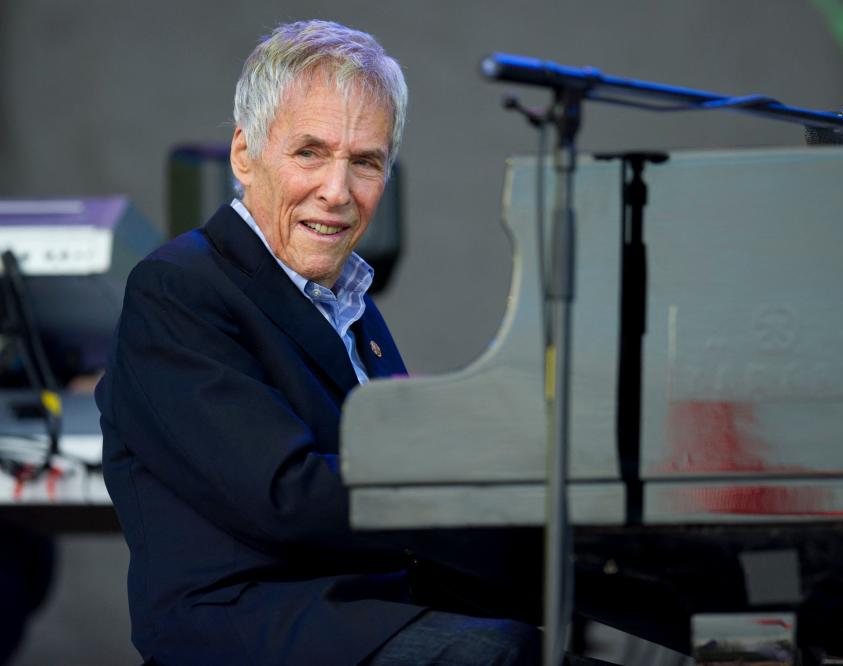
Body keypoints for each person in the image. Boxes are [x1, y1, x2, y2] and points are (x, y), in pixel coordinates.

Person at [96, 20, 541, 666]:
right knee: (499, 652)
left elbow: (388, 467)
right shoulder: (178, 290)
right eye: (310, 152)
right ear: (245, 155)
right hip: (254, 630)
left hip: (364, 612)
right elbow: (286, 495)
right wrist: (470, 500)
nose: (338, 191)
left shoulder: (349, 304)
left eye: (365, 162)